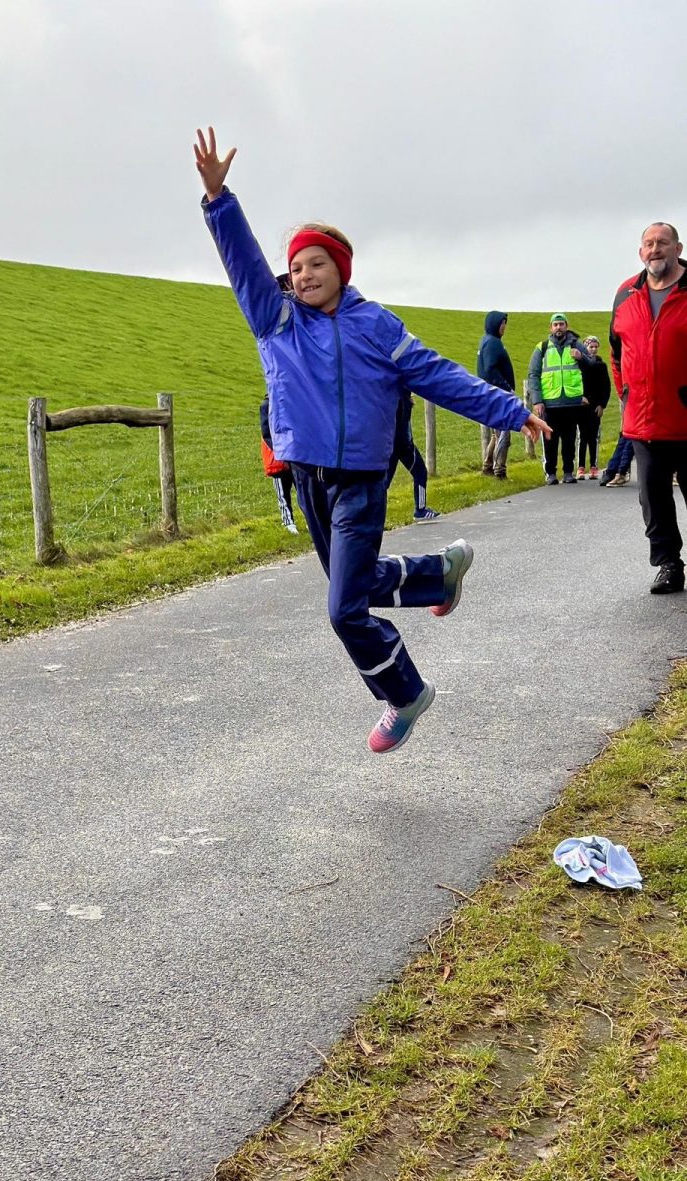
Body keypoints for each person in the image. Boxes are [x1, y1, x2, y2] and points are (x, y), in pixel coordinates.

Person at [193, 127, 549, 753]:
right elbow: (244, 265)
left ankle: (405, 694)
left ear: (341, 268)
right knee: (350, 584)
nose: (304, 275)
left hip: (360, 479)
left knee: (344, 610)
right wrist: (219, 199)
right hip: (308, 477)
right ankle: (437, 575)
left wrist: (509, 410)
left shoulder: (376, 325)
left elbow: (438, 374)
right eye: (296, 267)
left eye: (316, 263)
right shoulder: (277, 322)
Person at [610, 222, 687, 594]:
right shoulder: (626, 293)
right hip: (644, 421)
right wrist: (626, 395)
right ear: (641, 251)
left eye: (663, 243)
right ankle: (669, 564)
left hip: (685, 417)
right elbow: (616, 353)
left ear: (678, 249)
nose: (655, 249)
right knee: (654, 499)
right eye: (648, 243)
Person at [527, 314, 596, 485]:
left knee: (569, 440)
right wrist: (537, 401)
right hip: (550, 403)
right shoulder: (542, 348)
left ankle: (568, 472)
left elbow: (591, 365)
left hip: (571, 402)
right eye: (555, 324)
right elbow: (533, 375)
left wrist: (581, 357)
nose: (558, 327)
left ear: (567, 326)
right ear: (551, 327)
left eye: (561, 324)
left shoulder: (576, 345)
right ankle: (550, 473)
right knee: (549, 439)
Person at [387, 389, 440, 521]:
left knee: (383, 483)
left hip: (390, 444)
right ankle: (420, 510)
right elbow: (402, 426)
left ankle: (372, 515)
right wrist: (407, 444)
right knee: (420, 472)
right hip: (403, 445)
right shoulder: (402, 399)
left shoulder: (393, 397)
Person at [476, 311, 516, 479]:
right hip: (497, 395)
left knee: (496, 434)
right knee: (504, 434)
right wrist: (507, 388)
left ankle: (487, 466)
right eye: (502, 323)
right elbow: (490, 370)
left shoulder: (486, 340)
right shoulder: (493, 343)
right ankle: (500, 470)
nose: (504, 327)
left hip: (489, 394)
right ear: (494, 324)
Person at [260, 396, 298, 533]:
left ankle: (310, 520)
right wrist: (280, 452)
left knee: (302, 491)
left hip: (294, 454)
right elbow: (266, 433)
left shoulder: (288, 401)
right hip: (277, 457)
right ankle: (288, 522)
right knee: (282, 492)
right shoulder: (267, 405)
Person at [576, 335, 611, 479]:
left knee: (594, 437)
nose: (594, 349)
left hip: (595, 407)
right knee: (582, 437)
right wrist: (578, 398)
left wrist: (602, 405)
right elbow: (575, 383)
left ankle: (594, 466)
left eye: (596, 347)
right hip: (581, 406)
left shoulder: (601, 366)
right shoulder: (579, 365)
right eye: (591, 347)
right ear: (585, 347)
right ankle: (580, 467)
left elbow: (606, 387)